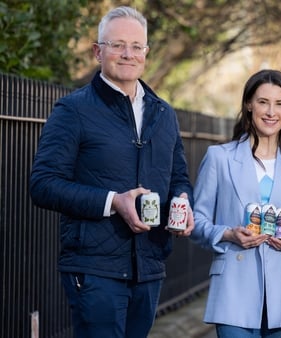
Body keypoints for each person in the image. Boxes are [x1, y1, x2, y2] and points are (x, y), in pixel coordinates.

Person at [29, 6, 195, 338]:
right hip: (94, 269)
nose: (128, 54)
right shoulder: (73, 110)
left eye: (136, 46)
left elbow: (177, 176)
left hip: (149, 266)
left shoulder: (164, 114)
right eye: (117, 45)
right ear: (97, 52)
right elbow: (43, 184)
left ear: (146, 53)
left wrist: (183, 201)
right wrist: (113, 201)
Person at [191, 69, 281, 338]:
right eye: (263, 102)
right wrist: (227, 234)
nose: (270, 112)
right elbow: (197, 222)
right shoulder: (219, 158)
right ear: (248, 105)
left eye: (280, 104)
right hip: (233, 288)